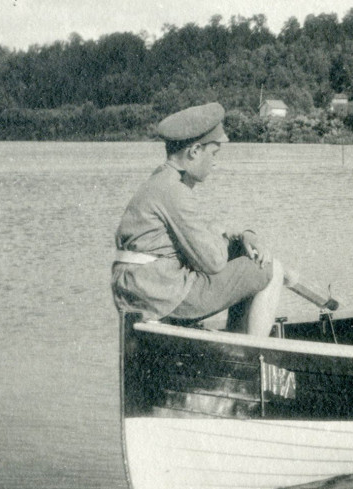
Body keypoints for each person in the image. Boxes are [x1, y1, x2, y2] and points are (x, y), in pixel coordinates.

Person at [111, 102, 283, 335]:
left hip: (140, 290)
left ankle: (239, 343)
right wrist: (225, 236)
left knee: (247, 259)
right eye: (213, 153)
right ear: (194, 152)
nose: (215, 162)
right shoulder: (175, 192)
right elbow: (213, 261)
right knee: (269, 268)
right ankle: (252, 356)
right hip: (161, 294)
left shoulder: (160, 182)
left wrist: (242, 235)